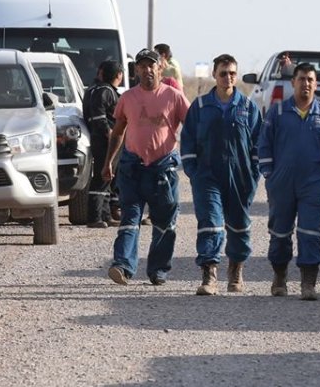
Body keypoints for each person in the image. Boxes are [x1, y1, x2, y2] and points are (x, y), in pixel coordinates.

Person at [103, 48, 191, 286]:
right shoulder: (127, 98)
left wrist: (195, 158)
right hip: (132, 168)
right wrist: (108, 161)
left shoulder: (173, 96)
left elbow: (192, 126)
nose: (147, 70)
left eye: (151, 65)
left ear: (160, 68)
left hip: (163, 170)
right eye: (142, 66)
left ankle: (158, 270)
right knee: (130, 218)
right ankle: (122, 266)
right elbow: (118, 132)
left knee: (164, 223)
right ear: (136, 70)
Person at [181, 54, 262, 295]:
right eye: (223, 73)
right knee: (210, 223)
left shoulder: (248, 107)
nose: (228, 78)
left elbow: (259, 144)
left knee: (239, 226)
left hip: (240, 177)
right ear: (214, 75)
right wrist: (193, 171)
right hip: (207, 176)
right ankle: (209, 274)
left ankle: (236, 270)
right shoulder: (201, 106)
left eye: (232, 73)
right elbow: (187, 140)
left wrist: (253, 174)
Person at [258, 62, 320, 300]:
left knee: (310, 232)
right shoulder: (277, 112)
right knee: (280, 232)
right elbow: (264, 144)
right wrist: (269, 173)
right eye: (301, 79)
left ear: (316, 84)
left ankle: (308, 282)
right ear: (293, 82)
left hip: (313, 183)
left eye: (310, 80)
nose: (306, 84)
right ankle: (279, 276)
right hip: (281, 183)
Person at [83, 60, 124, 228]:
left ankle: (106, 215)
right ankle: (94, 217)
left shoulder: (95, 90)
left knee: (108, 177)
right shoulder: (105, 91)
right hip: (106, 141)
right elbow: (99, 116)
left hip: (103, 140)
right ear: (119, 75)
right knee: (102, 177)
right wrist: (108, 132)